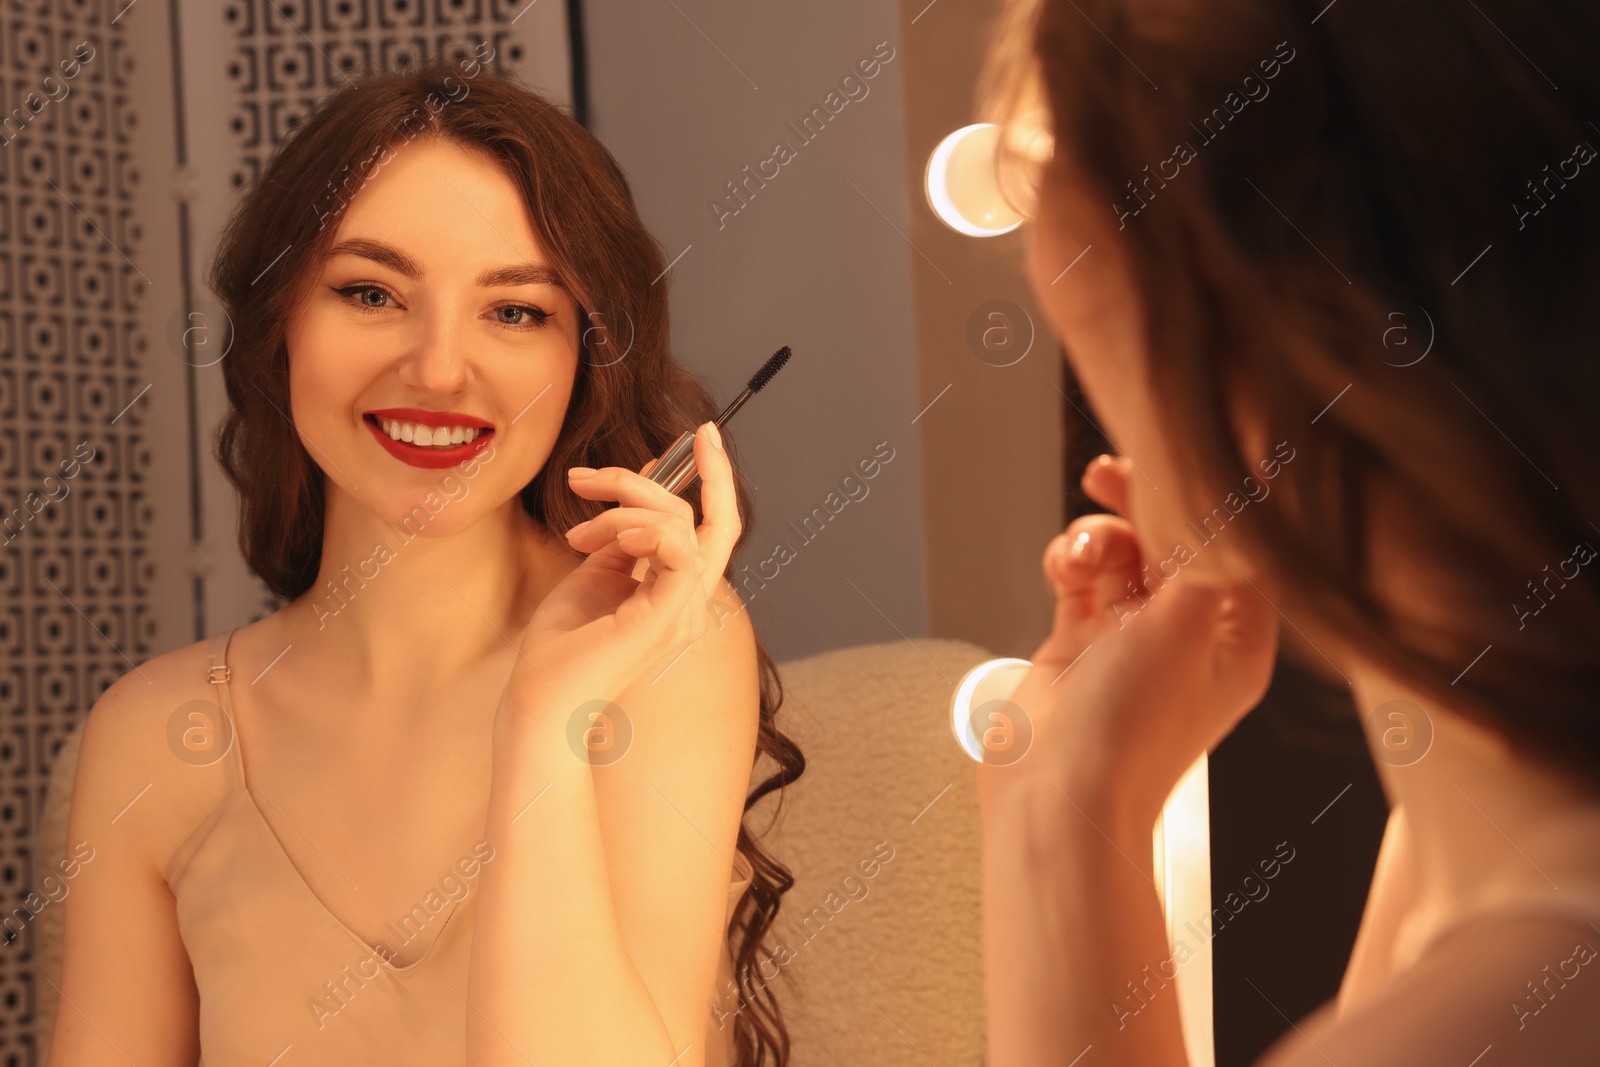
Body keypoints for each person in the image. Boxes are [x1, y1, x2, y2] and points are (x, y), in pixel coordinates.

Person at [48, 62, 802, 1067]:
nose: (440, 368)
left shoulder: (658, 652)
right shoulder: (151, 739)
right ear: (279, 327)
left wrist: (544, 722)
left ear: (584, 352)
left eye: (516, 310)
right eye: (371, 292)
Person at [973, 1, 1600, 1064]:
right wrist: (1075, 799)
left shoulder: (1490, 1010)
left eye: (1057, 165)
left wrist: (1059, 819)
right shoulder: (1458, 843)